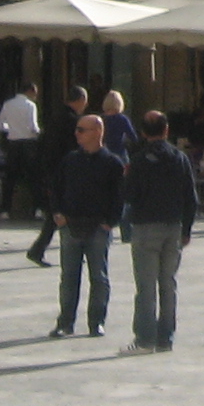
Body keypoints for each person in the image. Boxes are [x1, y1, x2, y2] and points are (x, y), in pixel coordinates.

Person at [122, 109, 196, 351]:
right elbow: (191, 197)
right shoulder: (180, 158)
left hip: (146, 226)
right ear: (166, 130)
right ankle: (166, 338)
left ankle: (145, 338)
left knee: (146, 285)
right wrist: (187, 229)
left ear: (143, 133)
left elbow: (129, 195)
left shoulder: (139, 161)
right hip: (173, 226)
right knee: (168, 283)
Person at [49, 113, 125, 338]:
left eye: (82, 130)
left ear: (98, 132)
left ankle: (96, 321)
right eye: (77, 129)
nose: (77, 134)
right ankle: (65, 322)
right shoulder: (70, 160)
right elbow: (56, 187)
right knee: (69, 277)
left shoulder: (112, 163)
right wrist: (57, 213)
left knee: (99, 277)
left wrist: (111, 221)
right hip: (70, 225)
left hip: (98, 227)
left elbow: (119, 195)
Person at [26, 83, 88, 264]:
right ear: (81, 100)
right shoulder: (72, 121)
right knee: (64, 212)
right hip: (64, 172)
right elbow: (74, 147)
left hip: (50, 169)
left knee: (56, 214)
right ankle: (71, 250)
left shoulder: (55, 117)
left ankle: (38, 250)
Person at [0, 79, 42, 220]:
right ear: (30, 91)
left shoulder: (8, 104)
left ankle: (5, 210)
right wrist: (39, 133)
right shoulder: (30, 105)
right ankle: (38, 208)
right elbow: (33, 126)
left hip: (13, 143)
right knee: (33, 177)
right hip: (28, 143)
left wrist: (11, 128)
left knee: (10, 178)